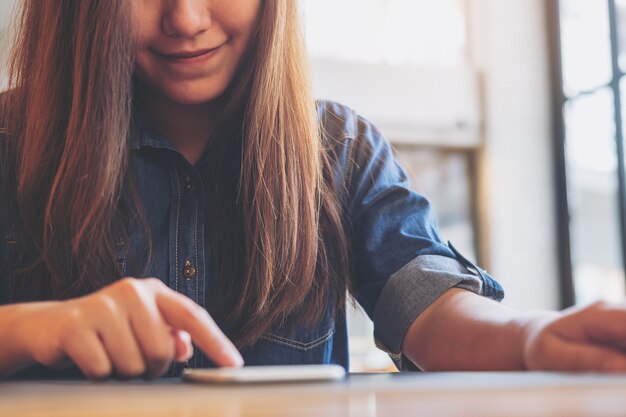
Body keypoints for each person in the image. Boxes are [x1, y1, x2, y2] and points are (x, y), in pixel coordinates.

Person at [1, 0, 626, 381]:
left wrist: (531, 339)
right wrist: (33, 330)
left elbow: (430, 305)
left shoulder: (340, 147)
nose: (185, 20)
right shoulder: (10, 140)